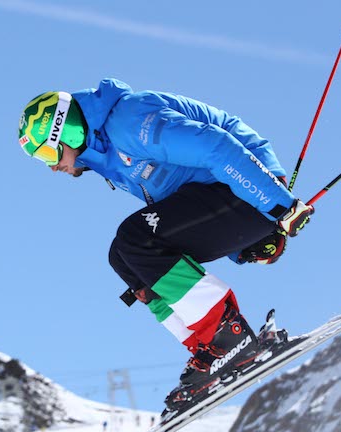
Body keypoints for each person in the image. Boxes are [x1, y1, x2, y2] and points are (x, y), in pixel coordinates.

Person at [17, 79, 313, 414]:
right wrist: (244, 245)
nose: (51, 166)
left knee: (135, 239)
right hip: (227, 196)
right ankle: (211, 350)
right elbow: (182, 211)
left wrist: (278, 205)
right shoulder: (106, 155)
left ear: (67, 131)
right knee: (124, 258)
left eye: (46, 152)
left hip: (250, 186)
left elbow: (216, 146)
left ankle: (229, 336)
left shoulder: (128, 123)